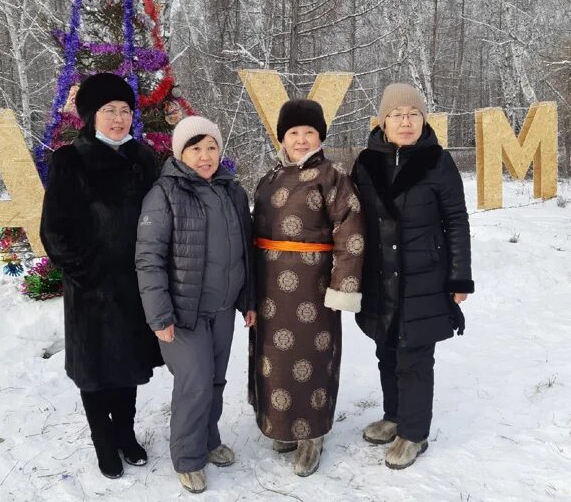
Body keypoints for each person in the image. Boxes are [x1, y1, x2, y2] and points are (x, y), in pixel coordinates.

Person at [40, 73, 163, 479]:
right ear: (91, 116)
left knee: (128, 366)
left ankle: (125, 434)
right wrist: (87, 275)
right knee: (95, 373)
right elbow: (54, 230)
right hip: (92, 291)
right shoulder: (70, 160)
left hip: (137, 286)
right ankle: (104, 442)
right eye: (109, 110)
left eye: (125, 110)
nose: (118, 119)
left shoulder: (144, 158)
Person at [350, 83, 474, 469]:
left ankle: (414, 433)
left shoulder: (438, 161)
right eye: (397, 115)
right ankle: (394, 417)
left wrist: (459, 277)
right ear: (383, 122)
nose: (406, 122)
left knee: (414, 355)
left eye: (413, 114)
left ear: (423, 119)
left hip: (423, 277)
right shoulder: (366, 163)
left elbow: (456, 221)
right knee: (385, 348)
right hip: (379, 276)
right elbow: (354, 221)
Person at [135, 116, 256, 494]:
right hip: (183, 314)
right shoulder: (164, 193)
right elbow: (149, 257)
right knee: (195, 383)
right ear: (180, 153)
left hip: (222, 309)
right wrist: (159, 314)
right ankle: (187, 457)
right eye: (195, 148)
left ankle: (208, 439)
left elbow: (245, 253)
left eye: (211, 148)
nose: (205, 157)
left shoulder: (232, 191)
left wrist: (247, 298)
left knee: (216, 380)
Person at [249, 99, 365, 477]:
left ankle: (311, 434)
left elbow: (351, 234)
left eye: (309, 132)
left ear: (320, 136)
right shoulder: (269, 178)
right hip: (268, 289)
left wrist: (342, 285)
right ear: (282, 136)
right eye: (293, 132)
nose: (301, 140)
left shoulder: (333, 177)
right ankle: (283, 426)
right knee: (275, 361)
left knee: (310, 359)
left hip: (312, 290)